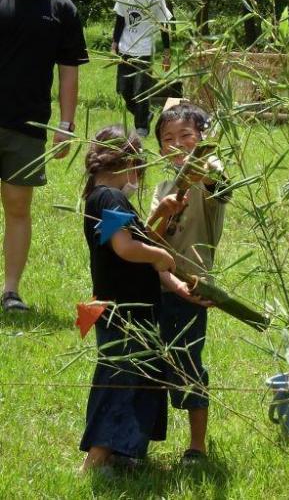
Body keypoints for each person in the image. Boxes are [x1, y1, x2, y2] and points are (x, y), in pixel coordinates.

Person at [79, 125, 204, 472]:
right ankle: (97, 459)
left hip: (132, 313)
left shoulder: (101, 198)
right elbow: (125, 247)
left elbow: (126, 241)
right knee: (120, 382)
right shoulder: (110, 198)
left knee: (139, 382)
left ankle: (124, 455)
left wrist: (175, 283)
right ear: (128, 162)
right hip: (125, 315)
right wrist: (157, 256)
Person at [1, 0, 88, 313]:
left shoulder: (62, 9)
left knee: (18, 207)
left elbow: (69, 72)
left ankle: (11, 291)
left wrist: (65, 126)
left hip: (29, 124)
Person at [147, 100, 227, 463]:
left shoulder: (207, 175)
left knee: (187, 363)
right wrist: (164, 209)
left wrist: (202, 165)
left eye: (186, 136)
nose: (177, 145)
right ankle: (139, 440)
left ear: (201, 139)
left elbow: (219, 182)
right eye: (168, 139)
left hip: (191, 289)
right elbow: (149, 236)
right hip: (154, 286)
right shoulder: (162, 184)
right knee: (150, 364)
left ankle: (198, 445)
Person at [112, 0, 172, 138]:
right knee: (124, 90)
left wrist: (166, 54)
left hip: (145, 51)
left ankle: (141, 127)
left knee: (141, 91)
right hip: (125, 49)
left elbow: (164, 27)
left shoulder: (156, 0)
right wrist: (114, 44)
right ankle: (145, 115)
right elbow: (120, 21)